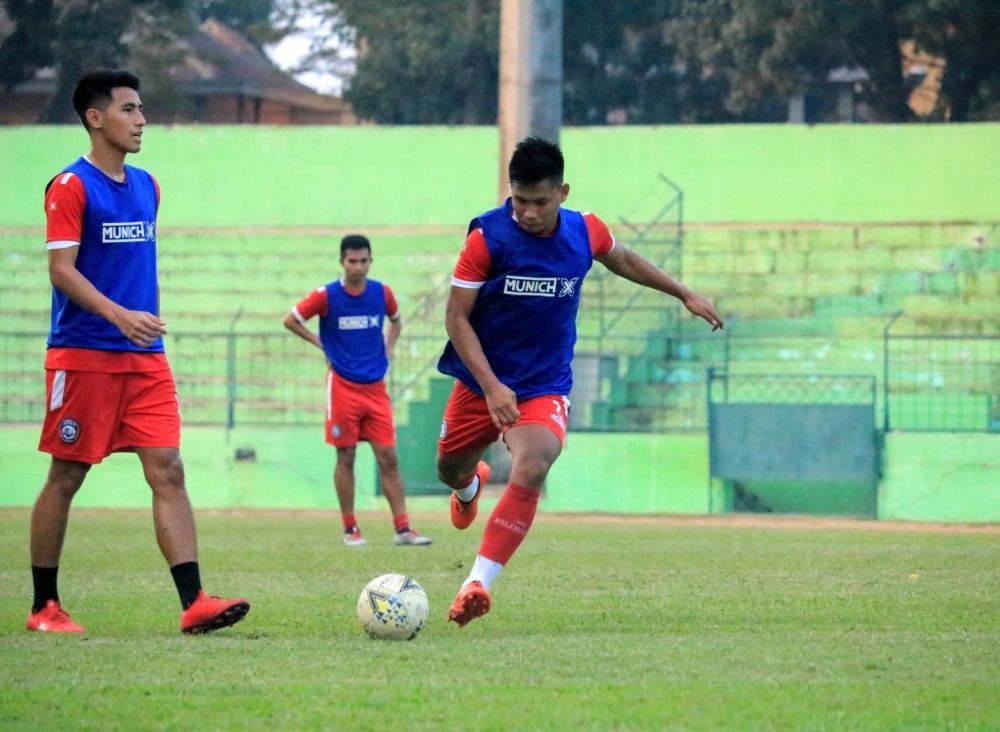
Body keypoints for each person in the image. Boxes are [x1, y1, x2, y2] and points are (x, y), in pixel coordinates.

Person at [436, 137, 723, 626]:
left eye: (540, 202)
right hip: (482, 380)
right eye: (519, 200)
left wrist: (683, 293)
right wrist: (490, 387)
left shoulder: (585, 231)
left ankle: (476, 582)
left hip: (543, 384)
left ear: (563, 192)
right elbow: (456, 319)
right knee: (448, 468)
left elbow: (625, 258)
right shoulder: (486, 238)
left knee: (534, 462)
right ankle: (468, 487)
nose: (527, 212)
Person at [28, 69, 249, 634]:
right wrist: (119, 315)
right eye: (129, 109)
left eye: (142, 109)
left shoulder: (148, 185)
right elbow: (61, 271)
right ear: (95, 117)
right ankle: (43, 607)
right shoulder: (70, 187)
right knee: (67, 476)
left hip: (146, 358)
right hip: (85, 355)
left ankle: (194, 600)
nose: (142, 119)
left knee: (169, 471)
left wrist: (138, 320)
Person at [283, 235, 432, 547]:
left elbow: (396, 321)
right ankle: (351, 528)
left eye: (364, 261)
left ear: (370, 261)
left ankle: (403, 529)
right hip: (342, 387)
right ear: (342, 262)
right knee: (346, 455)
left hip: (375, 387)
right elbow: (291, 320)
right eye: (352, 261)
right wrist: (320, 343)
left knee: (388, 457)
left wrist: (389, 349)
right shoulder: (327, 295)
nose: (358, 267)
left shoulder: (381, 293)